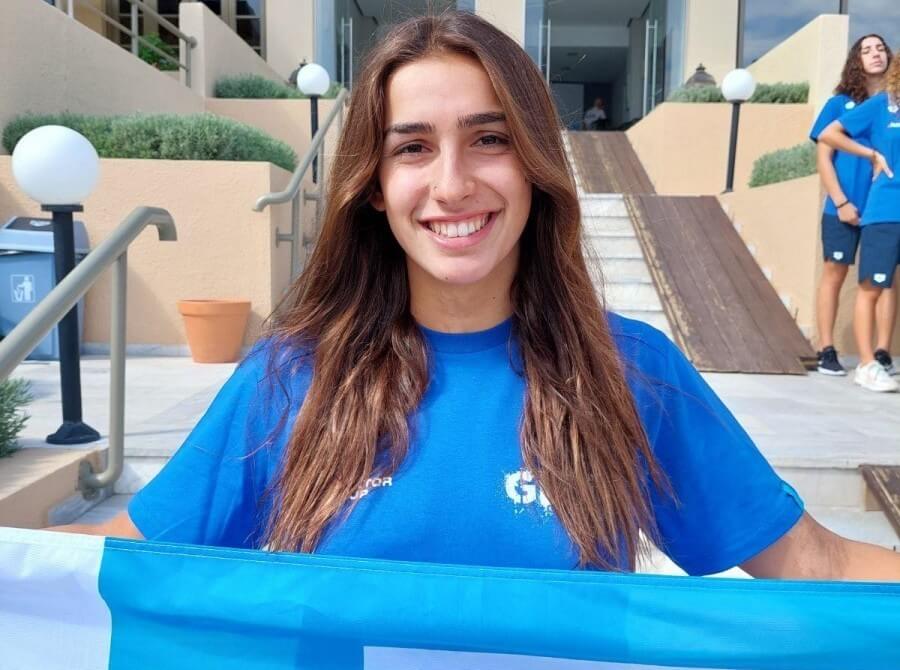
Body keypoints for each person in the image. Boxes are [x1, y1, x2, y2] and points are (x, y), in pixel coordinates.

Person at [52, 13, 900, 579]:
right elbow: (113, 564)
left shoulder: (630, 371)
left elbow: (814, 563)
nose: (452, 184)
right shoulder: (291, 377)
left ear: (534, 165)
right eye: (412, 148)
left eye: (489, 138)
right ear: (374, 186)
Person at [810, 34, 896, 380]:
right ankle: (826, 349)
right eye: (866, 50)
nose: (875, 54)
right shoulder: (839, 104)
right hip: (843, 207)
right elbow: (824, 156)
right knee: (835, 272)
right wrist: (841, 201)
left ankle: (881, 352)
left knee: (886, 279)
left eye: (880, 49)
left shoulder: (893, 104)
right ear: (855, 60)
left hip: (883, 209)